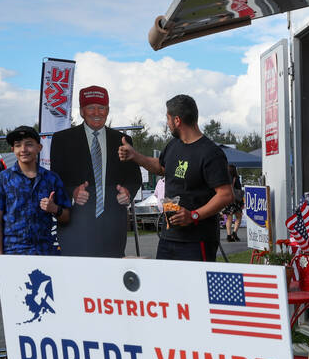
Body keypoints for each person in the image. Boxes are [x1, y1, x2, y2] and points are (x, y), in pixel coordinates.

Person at [118, 94, 232, 261]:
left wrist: (194, 215)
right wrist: (135, 156)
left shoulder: (211, 153)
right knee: (164, 286)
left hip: (197, 240)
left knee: (194, 287)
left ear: (177, 120)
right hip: (168, 237)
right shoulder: (174, 145)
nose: (167, 123)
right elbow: (162, 167)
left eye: (168, 118)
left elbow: (226, 195)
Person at [50, 86, 142, 257]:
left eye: (102, 108)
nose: (97, 112)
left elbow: (134, 178)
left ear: (108, 110)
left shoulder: (122, 140)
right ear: (82, 111)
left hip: (113, 228)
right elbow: (56, 180)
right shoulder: (62, 140)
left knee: (112, 279)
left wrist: (128, 192)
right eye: (91, 107)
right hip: (76, 227)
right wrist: (73, 193)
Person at [0, 125, 71, 256]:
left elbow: (66, 217)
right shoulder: (2, 179)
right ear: (13, 149)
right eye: (18, 145)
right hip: (13, 253)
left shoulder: (52, 179)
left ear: (39, 148)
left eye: (29, 144)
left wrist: (55, 209)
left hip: (46, 253)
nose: (23, 149)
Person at [225, 165, 244, 242]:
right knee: (239, 217)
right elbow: (239, 190)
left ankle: (229, 235)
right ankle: (234, 233)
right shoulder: (236, 179)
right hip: (236, 201)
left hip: (227, 199)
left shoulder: (225, 179)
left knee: (229, 218)